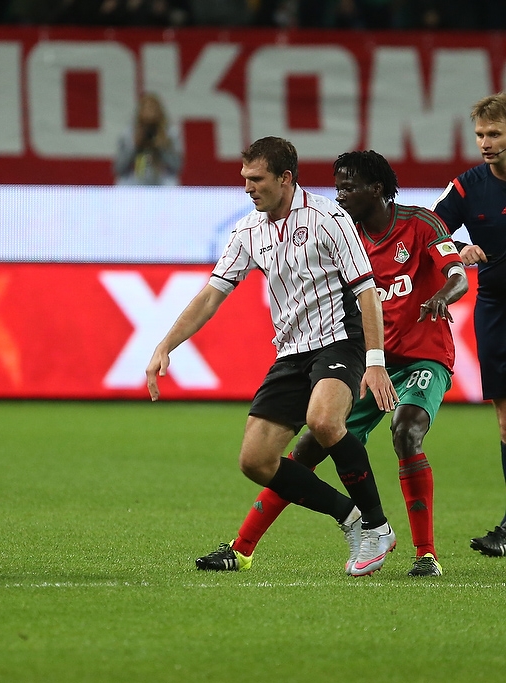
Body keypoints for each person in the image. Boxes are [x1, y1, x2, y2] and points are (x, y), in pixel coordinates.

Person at [196, 150, 467, 577]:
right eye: (337, 187)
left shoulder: (420, 223)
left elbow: (458, 273)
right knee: (308, 445)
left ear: (376, 189)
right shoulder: (342, 231)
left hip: (423, 356)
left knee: (406, 431)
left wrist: (441, 296)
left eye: (348, 187)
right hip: (369, 361)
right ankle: (242, 547)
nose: (339, 195)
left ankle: (426, 554)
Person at [146, 137, 399, 577]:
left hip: (340, 339)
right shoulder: (247, 230)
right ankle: (352, 517)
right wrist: (165, 344)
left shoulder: (329, 218)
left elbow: (367, 292)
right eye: (244, 178)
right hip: (290, 350)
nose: (247, 187)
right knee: (256, 461)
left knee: (324, 421)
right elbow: (211, 295)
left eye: (256, 178)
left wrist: (375, 361)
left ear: (285, 178)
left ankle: (378, 527)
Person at [433, 91, 506, 557]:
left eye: (494, 133)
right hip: (495, 309)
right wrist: (459, 250)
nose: (485, 142)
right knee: (505, 421)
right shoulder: (466, 187)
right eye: (480, 134)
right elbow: (431, 230)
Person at [114, 92, 183, 186]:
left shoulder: (170, 134)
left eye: (153, 108)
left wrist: (164, 147)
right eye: (146, 108)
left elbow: (177, 167)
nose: (150, 112)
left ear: (160, 112)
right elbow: (118, 168)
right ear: (139, 112)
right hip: (135, 182)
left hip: (162, 181)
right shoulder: (128, 134)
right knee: (121, 184)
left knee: (172, 183)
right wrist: (134, 145)